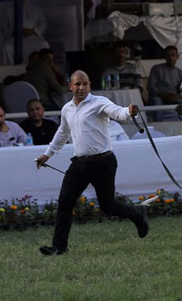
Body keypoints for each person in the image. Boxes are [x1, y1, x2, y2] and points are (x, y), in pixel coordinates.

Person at [35, 70, 149, 255]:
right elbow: (62, 133)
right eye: (77, 84)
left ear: (89, 85)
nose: (81, 88)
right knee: (65, 201)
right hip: (80, 164)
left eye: (85, 84)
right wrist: (47, 154)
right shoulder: (67, 109)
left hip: (103, 162)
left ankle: (138, 215)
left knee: (108, 206)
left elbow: (118, 112)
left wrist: (129, 112)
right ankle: (59, 247)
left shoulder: (99, 102)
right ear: (70, 86)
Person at [1, 0, 50, 65]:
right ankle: (12, 70)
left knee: (44, 45)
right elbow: (4, 26)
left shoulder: (36, 8)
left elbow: (43, 23)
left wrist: (33, 31)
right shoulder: (8, 10)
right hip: (15, 38)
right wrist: (15, 31)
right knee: (7, 47)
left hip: (33, 36)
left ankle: (39, 67)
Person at [147, 45, 182, 121]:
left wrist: (176, 96)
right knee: (156, 102)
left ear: (177, 56)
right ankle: (158, 128)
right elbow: (151, 87)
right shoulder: (156, 69)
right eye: (168, 55)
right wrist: (165, 95)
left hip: (173, 98)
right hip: (159, 96)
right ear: (164, 57)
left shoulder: (180, 72)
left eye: (173, 55)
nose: (171, 58)